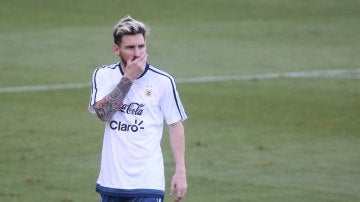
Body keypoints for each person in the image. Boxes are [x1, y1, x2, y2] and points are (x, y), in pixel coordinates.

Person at [88, 15, 188, 202]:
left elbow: (175, 125)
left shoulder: (162, 81)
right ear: (116, 50)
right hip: (111, 182)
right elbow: (103, 114)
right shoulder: (103, 75)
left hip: (148, 182)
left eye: (141, 46)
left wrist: (180, 171)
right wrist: (128, 79)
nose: (137, 53)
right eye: (130, 48)